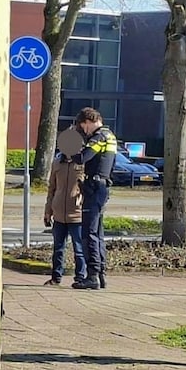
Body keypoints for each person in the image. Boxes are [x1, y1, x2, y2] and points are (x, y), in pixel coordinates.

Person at [68, 107, 116, 290]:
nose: (84, 131)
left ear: (88, 122)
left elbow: (83, 158)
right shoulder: (110, 135)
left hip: (94, 188)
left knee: (89, 233)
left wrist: (70, 147)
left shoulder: (99, 137)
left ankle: (92, 276)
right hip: (102, 186)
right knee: (98, 233)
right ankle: (101, 275)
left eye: (83, 127)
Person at [42, 150, 86, 286]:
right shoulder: (57, 163)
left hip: (77, 214)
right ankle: (56, 277)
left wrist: (81, 199)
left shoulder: (82, 163)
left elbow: (88, 188)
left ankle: (80, 278)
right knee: (58, 248)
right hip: (59, 214)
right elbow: (52, 188)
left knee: (79, 248)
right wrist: (48, 210)